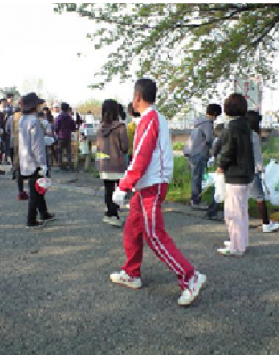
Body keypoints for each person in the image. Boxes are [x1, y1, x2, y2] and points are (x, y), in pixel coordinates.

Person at [110, 78, 206, 306]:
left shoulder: (149, 119)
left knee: (154, 234)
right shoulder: (155, 118)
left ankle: (190, 277)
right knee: (133, 228)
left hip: (152, 184)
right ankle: (131, 273)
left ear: (137, 98)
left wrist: (123, 185)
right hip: (148, 183)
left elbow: (141, 156)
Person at [215, 93, 255, 257]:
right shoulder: (246, 125)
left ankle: (236, 247)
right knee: (242, 211)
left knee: (233, 213)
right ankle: (240, 241)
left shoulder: (231, 127)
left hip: (235, 174)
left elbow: (227, 150)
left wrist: (220, 166)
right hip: (246, 173)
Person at [19, 92, 55, 228]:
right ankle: (31, 219)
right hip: (35, 162)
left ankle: (44, 212)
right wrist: (41, 164)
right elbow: (37, 146)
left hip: (25, 159)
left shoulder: (23, 119)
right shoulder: (35, 121)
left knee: (39, 187)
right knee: (36, 191)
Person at [96, 99, 129, 227]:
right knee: (118, 190)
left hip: (103, 163)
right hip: (117, 163)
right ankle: (112, 215)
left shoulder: (100, 127)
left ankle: (109, 213)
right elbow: (125, 147)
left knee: (108, 189)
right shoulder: (120, 127)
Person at [247, 111, 279, 233]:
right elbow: (257, 155)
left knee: (241, 198)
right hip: (252, 170)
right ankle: (266, 224)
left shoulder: (239, 134)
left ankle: (241, 222)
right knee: (260, 197)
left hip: (238, 172)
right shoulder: (254, 135)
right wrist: (261, 169)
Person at [10, 99, 29, 200]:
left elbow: (11, 129)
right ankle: (31, 192)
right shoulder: (27, 116)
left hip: (17, 143)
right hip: (26, 144)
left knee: (19, 168)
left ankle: (20, 191)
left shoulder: (14, 116)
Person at [54, 102, 76, 171]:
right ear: (67, 109)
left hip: (60, 136)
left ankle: (60, 166)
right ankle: (69, 165)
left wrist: (57, 132)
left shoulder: (59, 117)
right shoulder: (70, 118)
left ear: (61, 108)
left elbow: (56, 127)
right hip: (68, 136)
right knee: (68, 152)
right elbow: (73, 127)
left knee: (60, 152)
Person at [0, 98, 8, 165]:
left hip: (5, 130)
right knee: (0, 146)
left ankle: (5, 159)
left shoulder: (8, 110)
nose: (5, 104)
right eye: (3, 102)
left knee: (5, 146)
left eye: (5, 102)